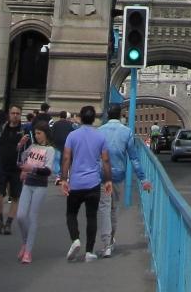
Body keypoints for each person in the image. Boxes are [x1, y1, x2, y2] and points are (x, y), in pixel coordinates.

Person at [60, 105, 112, 262]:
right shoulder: (101, 137)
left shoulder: (72, 135)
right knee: (91, 216)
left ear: (81, 118)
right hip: (93, 183)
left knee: (71, 213)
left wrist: (64, 179)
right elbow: (105, 160)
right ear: (94, 118)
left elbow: (66, 158)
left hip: (76, 182)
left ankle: (75, 239)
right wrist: (108, 180)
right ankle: (89, 251)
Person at [99, 105, 151, 257]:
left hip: (102, 175)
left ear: (108, 114)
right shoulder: (127, 132)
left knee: (104, 208)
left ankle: (107, 243)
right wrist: (143, 179)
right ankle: (110, 240)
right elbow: (134, 158)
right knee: (113, 208)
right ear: (120, 115)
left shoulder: (99, 131)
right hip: (118, 175)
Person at [14, 122, 57, 264]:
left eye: (39, 133)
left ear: (45, 133)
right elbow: (20, 161)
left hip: (40, 186)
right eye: (35, 133)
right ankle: (25, 242)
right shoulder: (32, 147)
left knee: (32, 217)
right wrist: (20, 146)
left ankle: (28, 251)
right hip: (28, 184)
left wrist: (32, 169)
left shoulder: (50, 150)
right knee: (20, 216)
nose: (37, 136)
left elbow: (48, 170)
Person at [0, 106, 27, 234]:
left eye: (18, 113)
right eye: (13, 113)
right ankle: (0, 218)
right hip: (1, 167)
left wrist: (25, 168)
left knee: (15, 197)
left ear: (20, 115)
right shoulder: (1, 129)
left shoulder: (24, 131)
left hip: (16, 168)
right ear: (9, 114)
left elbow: (29, 150)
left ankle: (9, 223)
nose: (15, 115)